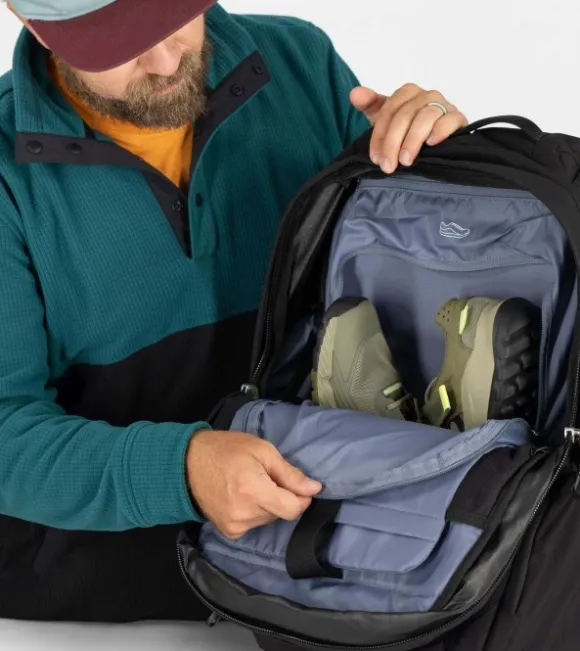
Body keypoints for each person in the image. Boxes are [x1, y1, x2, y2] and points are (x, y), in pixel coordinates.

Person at [0, 0, 467, 624]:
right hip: (109, 572)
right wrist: (181, 472)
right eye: (117, 44)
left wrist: (442, 168)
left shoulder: (298, 63)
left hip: (350, 537)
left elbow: (391, 288)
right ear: (29, 19)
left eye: (174, 16)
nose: (165, 61)